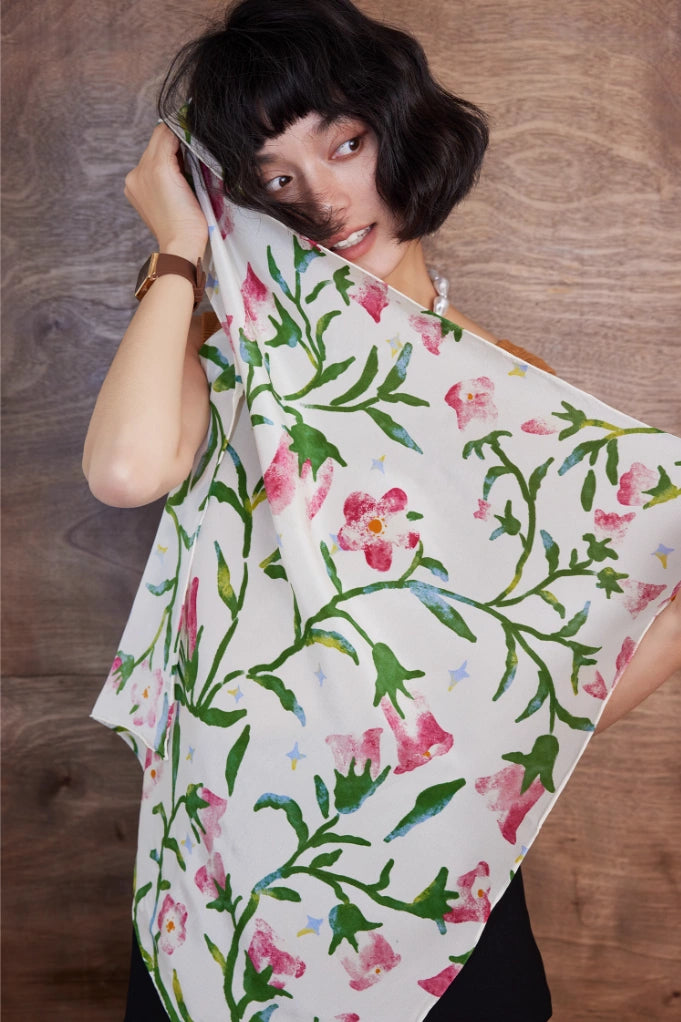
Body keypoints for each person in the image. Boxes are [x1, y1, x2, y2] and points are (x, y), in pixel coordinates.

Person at [83, 2, 681, 1019]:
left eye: (345, 144)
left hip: (432, 874)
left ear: (401, 133)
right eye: (275, 176)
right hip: (229, 879)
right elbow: (129, 470)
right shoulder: (220, 349)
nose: (321, 198)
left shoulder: (511, 397)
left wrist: (463, 743)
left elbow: (566, 676)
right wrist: (177, 248)